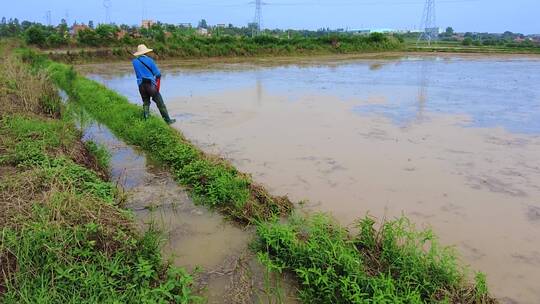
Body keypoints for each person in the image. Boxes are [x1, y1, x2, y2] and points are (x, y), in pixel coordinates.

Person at [132, 44, 176, 124]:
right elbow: (158, 74)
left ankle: (146, 119)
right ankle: (167, 120)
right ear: (146, 52)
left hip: (141, 85)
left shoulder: (134, 62)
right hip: (150, 85)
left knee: (146, 102)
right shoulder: (150, 60)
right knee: (160, 103)